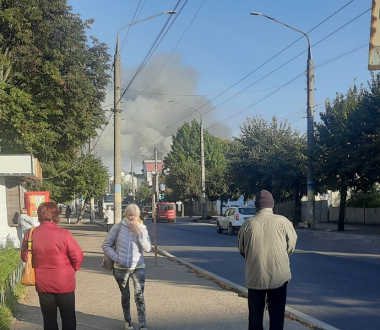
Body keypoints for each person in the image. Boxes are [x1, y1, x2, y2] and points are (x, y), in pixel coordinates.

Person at [238, 190, 297, 330]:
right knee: (277, 317)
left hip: (255, 278)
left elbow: (242, 249)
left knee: (255, 318)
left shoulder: (247, 224)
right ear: (272, 205)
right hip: (279, 278)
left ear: (256, 206)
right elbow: (291, 246)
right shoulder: (283, 222)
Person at [21, 202, 83, 330]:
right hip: (64, 281)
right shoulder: (64, 234)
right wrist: (74, 268)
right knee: (68, 317)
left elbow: (25, 257)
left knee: (49, 319)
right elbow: (77, 255)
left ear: (39, 215)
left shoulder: (30, 234)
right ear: (56, 215)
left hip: (43, 282)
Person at [102, 203, 152, 330]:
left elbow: (147, 249)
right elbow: (106, 245)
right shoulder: (118, 227)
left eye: (134, 216)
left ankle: (142, 325)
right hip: (120, 269)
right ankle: (128, 322)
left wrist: (139, 233)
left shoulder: (143, 228)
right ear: (126, 215)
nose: (132, 219)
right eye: (130, 215)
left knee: (139, 296)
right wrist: (117, 258)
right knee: (125, 295)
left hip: (138, 267)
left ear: (138, 216)